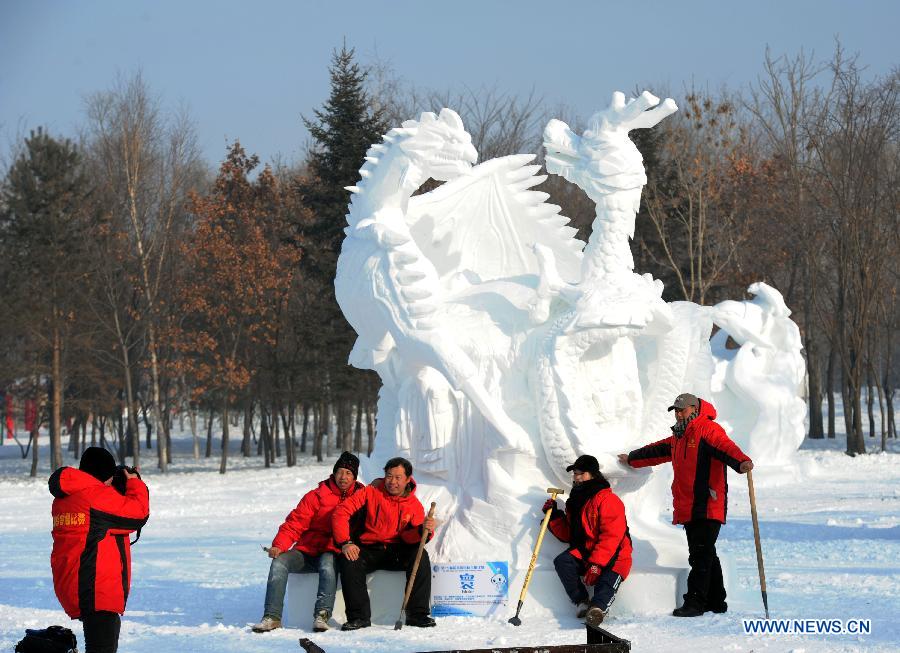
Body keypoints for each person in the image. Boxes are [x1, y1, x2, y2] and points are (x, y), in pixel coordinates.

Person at [618, 392, 753, 617]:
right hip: (689, 504)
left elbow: (726, 446)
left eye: (682, 410)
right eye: (676, 411)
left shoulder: (708, 429)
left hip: (708, 503)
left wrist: (741, 462)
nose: (679, 414)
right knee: (706, 552)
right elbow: (658, 450)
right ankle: (716, 601)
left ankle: (695, 602)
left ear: (694, 409)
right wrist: (632, 458)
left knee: (700, 554)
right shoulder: (679, 436)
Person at [49, 446, 150, 653]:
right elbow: (138, 514)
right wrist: (134, 483)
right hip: (96, 587)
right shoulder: (94, 498)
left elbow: (103, 518)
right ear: (105, 474)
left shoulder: (67, 496)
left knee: (105, 640)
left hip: (79, 581)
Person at [253, 451, 364, 633]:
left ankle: (321, 616)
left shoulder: (361, 497)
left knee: (327, 564)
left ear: (354, 477)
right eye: (340, 472)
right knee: (279, 562)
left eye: (348, 473)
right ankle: (272, 617)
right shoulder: (317, 496)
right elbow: (295, 522)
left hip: (333, 550)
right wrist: (279, 545)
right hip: (307, 550)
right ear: (334, 473)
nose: (343, 477)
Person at [332, 456, 437, 631]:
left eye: (398, 478)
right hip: (369, 548)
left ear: (407, 479)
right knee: (349, 559)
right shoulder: (370, 492)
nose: (392, 482)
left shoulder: (413, 505)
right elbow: (341, 513)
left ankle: (417, 614)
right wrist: (345, 542)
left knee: (421, 557)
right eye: (389, 476)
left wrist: (424, 530)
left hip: (397, 550)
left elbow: (410, 539)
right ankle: (358, 617)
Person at [544, 454, 631, 627]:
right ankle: (582, 602)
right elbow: (570, 535)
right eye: (575, 473)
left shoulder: (608, 500)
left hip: (615, 553)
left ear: (592, 474)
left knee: (607, 580)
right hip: (587, 551)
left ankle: (597, 609)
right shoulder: (575, 501)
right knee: (563, 561)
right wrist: (553, 516)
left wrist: (596, 564)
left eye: (581, 473)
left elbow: (611, 537)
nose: (576, 477)